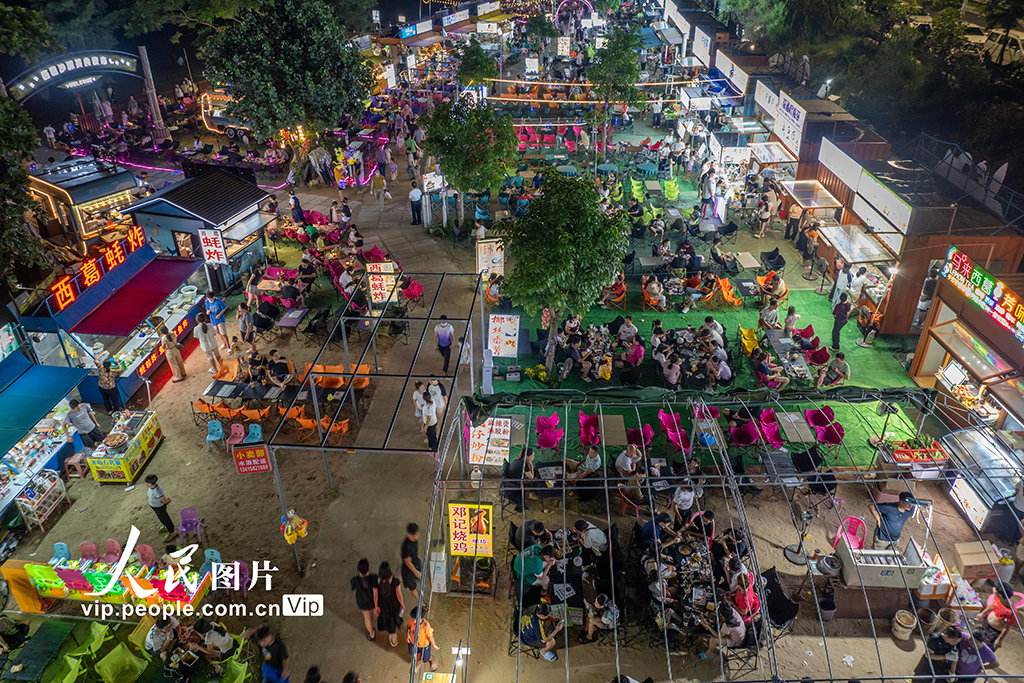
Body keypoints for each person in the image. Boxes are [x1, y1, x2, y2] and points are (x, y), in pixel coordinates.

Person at [975, 583, 1017, 650]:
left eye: (995, 590)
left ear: (1000, 595)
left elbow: (1008, 627)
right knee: (978, 638)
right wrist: (983, 613)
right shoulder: (998, 598)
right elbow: (993, 605)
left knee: (986, 647)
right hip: (986, 623)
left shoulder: (1011, 612)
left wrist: (999, 639)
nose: (993, 589)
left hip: (994, 631)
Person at [377, 562, 405, 647]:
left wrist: (376, 606)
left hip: (384, 606)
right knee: (395, 617)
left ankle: (393, 638)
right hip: (394, 605)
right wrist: (402, 604)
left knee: (388, 621)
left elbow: (376, 596)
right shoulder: (395, 582)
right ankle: (395, 630)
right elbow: (398, 595)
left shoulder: (379, 583)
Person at [351, 558, 379, 641]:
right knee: (376, 613)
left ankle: (371, 634)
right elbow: (376, 594)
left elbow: (353, 587)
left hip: (362, 602)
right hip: (372, 601)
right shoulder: (373, 578)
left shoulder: (355, 580)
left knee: (367, 618)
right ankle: (379, 626)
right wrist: (376, 605)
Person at [407, 606, 439, 671]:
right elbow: (408, 627)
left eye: (414, 618)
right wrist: (407, 634)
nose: (412, 619)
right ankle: (418, 663)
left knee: (425, 659)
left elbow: (430, 636)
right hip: (413, 643)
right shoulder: (411, 621)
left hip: (424, 645)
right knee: (415, 654)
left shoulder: (426, 626)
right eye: (411, 617)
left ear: (420, 618)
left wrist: (434, 645)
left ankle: (432, 658)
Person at [144, 474, 176, 540]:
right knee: (161, 518)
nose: (146, 484)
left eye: (148, 483)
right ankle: (166, 526)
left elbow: (163, 499)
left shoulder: (157, 490)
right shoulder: (152, 487)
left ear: (153, 483)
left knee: (165, 519)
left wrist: (166, 501)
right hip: (155, 506)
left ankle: (172, 532)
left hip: (159, 507)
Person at [401, 523, 423, 603]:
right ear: (408, 534)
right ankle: (420, 602)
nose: (415, 537)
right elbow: (407, 562)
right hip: (409, 570)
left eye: (416, 534)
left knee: (417, 579)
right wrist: (416, 572)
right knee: (412, 587)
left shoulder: (414, 540)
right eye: (413, 535)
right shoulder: (406, 547)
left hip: (415, 563)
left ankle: (402, 580)